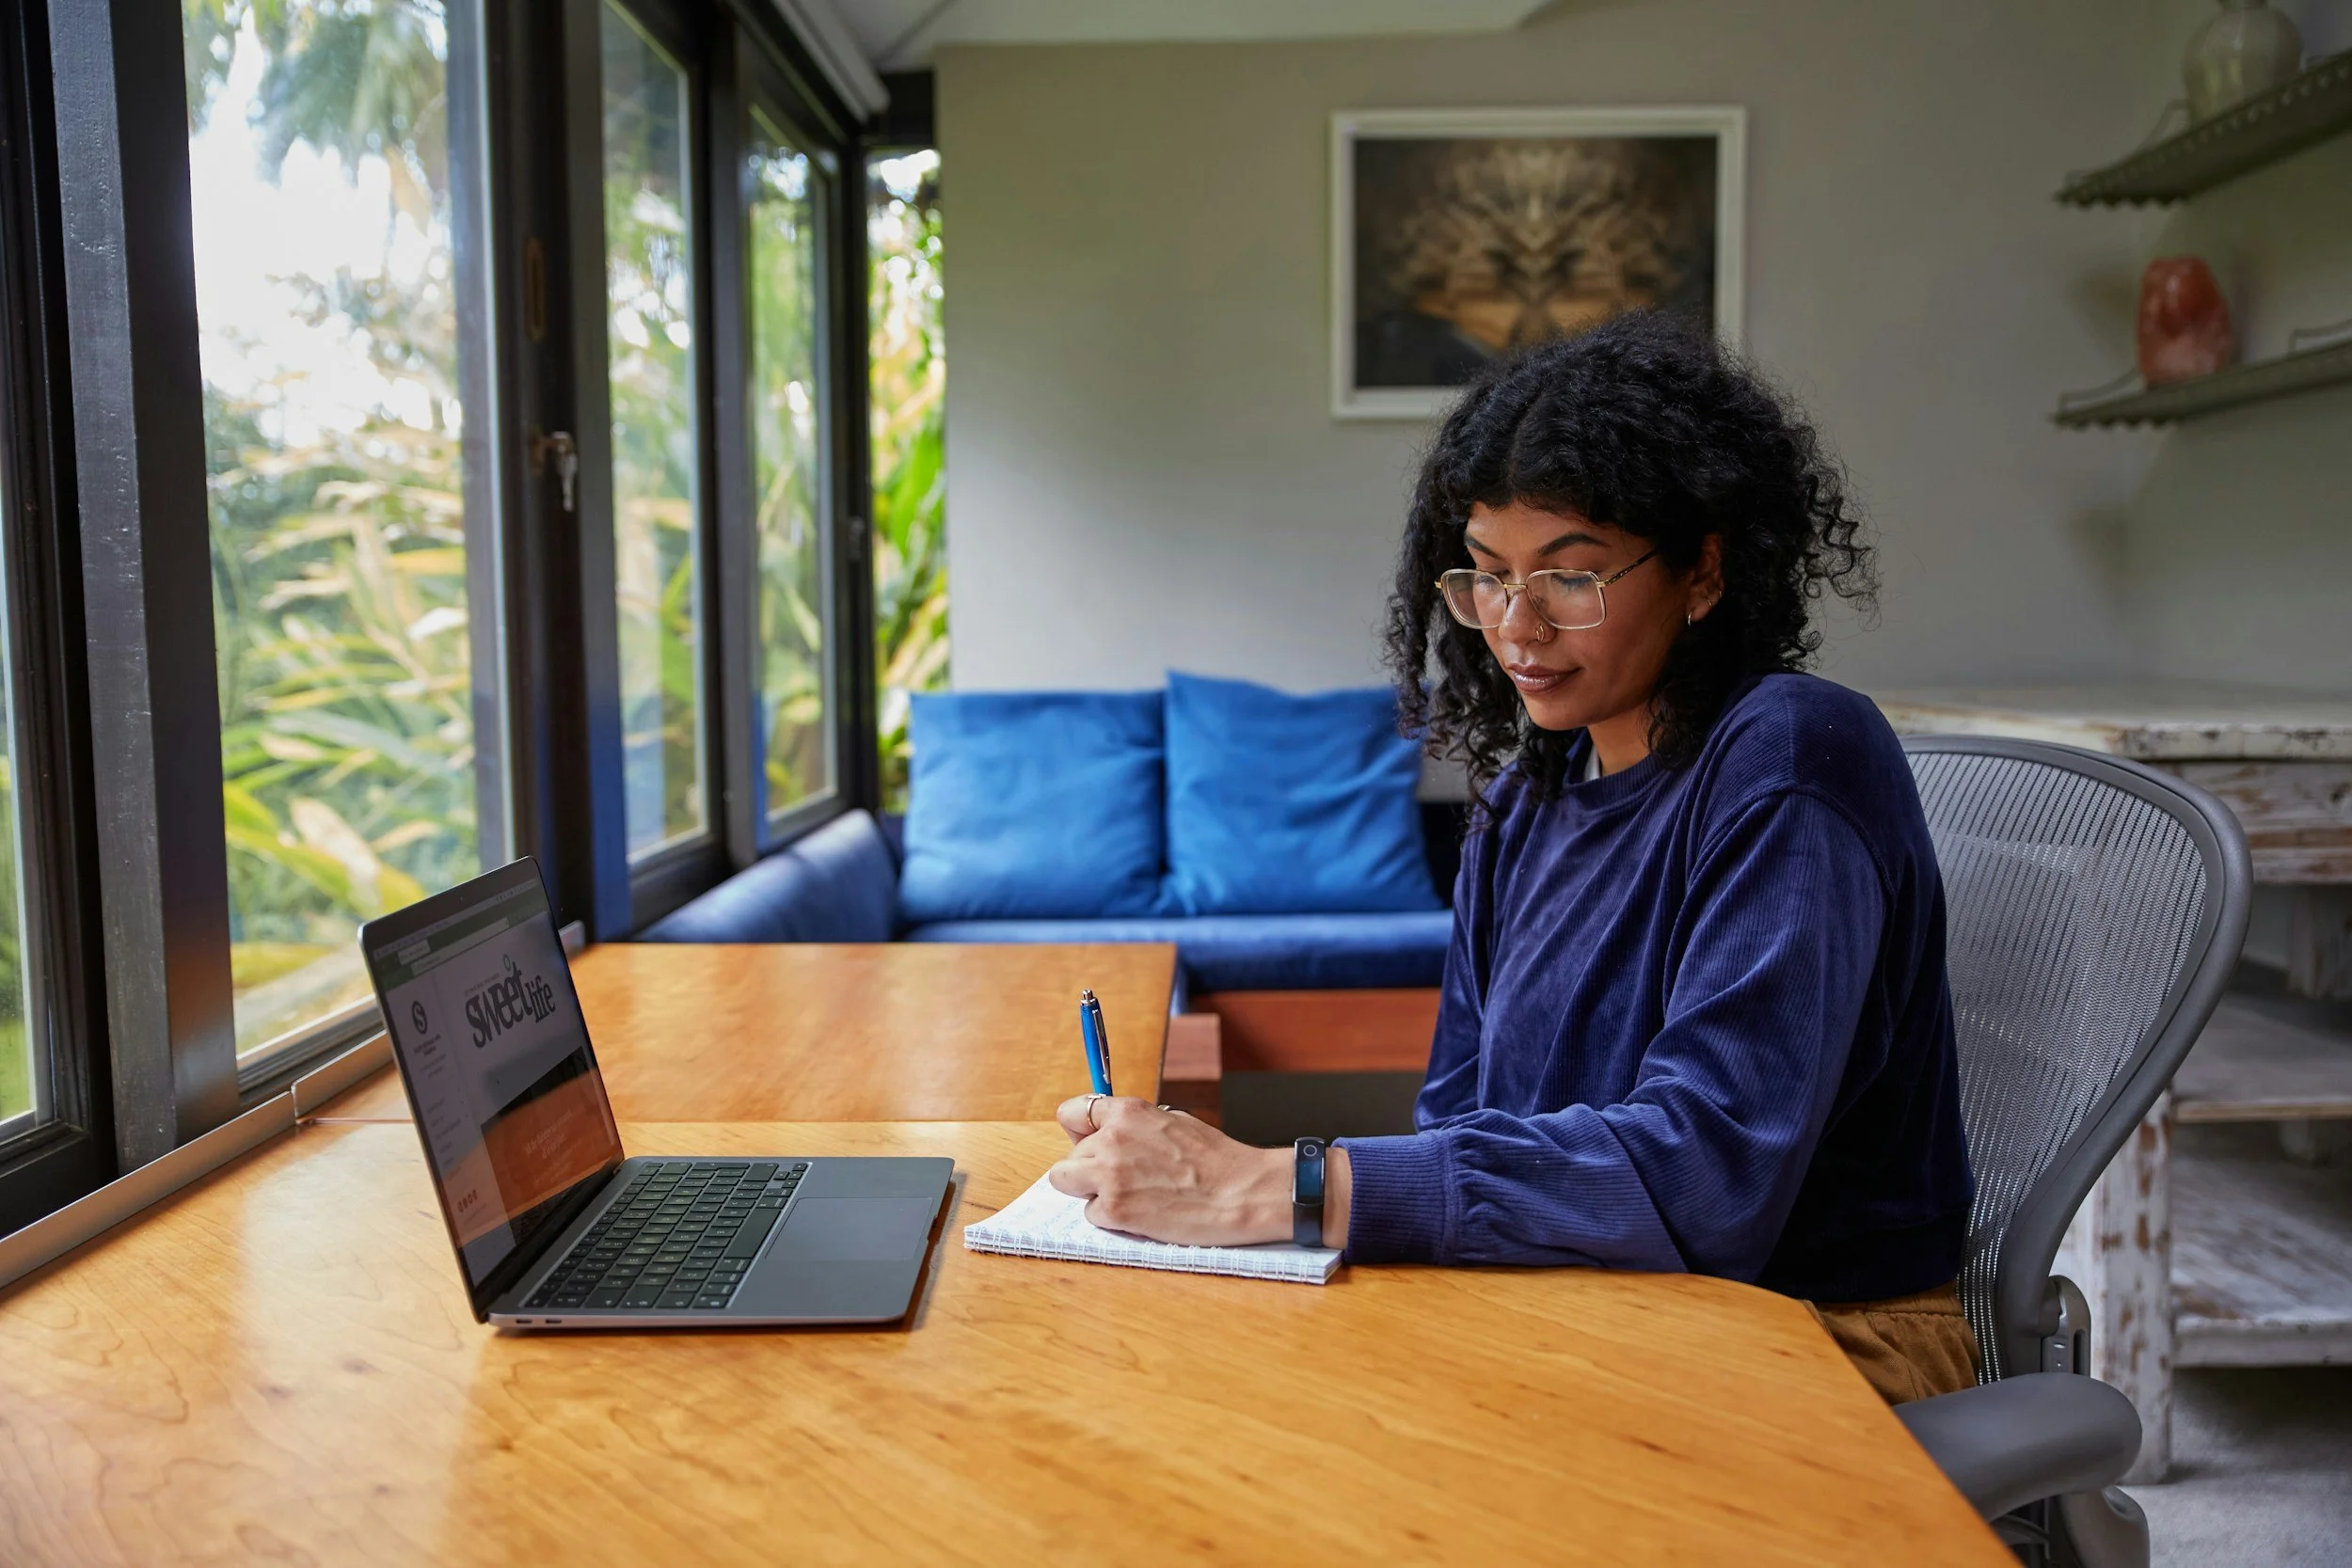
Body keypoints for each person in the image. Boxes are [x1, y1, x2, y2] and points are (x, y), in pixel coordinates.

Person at [1048, 311, 1979, 1404]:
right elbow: (1459, 1119)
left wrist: (1284, 1183)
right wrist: (1237, 1198)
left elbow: (1707, 1175)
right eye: (1486, 576)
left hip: (1809, 1329)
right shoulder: (1525, 800)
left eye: (1570, 577)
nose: (1516, 626)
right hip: (1591, 1299)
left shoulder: (1786, 757)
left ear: (1704, 572)